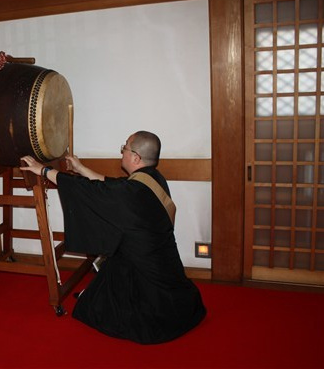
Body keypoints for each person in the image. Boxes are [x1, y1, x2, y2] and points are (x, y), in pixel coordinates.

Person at [20, 130, 206, 344]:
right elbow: (110, 187)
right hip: (164, 266)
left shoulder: (130, 191)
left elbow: (97, 191)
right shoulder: (153, 179)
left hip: (147, 279)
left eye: (124, 148)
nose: (122, 152)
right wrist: (81, 168)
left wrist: (43, 170)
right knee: (111, 265)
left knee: (94, 308)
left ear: (136, 157)